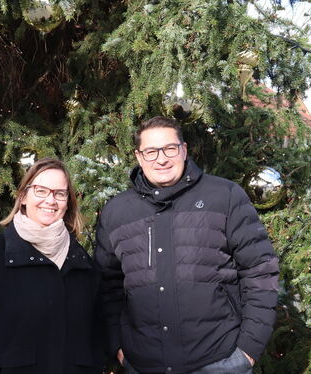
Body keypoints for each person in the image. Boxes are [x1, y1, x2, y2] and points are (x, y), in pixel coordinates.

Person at [95, 116, 279, 374]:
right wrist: (118, 346)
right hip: (143, 363)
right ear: (139, 157)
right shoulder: (117, 212)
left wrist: (247, 350)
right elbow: (107, 285)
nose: (161, 159)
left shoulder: (224, 196)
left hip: (219, 360)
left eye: (169, 148)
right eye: (151, 151)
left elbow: (260, 271)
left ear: (184, 150)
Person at [0, 158, 103, 374]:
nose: (50, 200)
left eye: (59, 193)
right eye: (41, 190)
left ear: (67, 202)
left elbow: (97, 331)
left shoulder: (81, 261)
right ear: (23, 196)